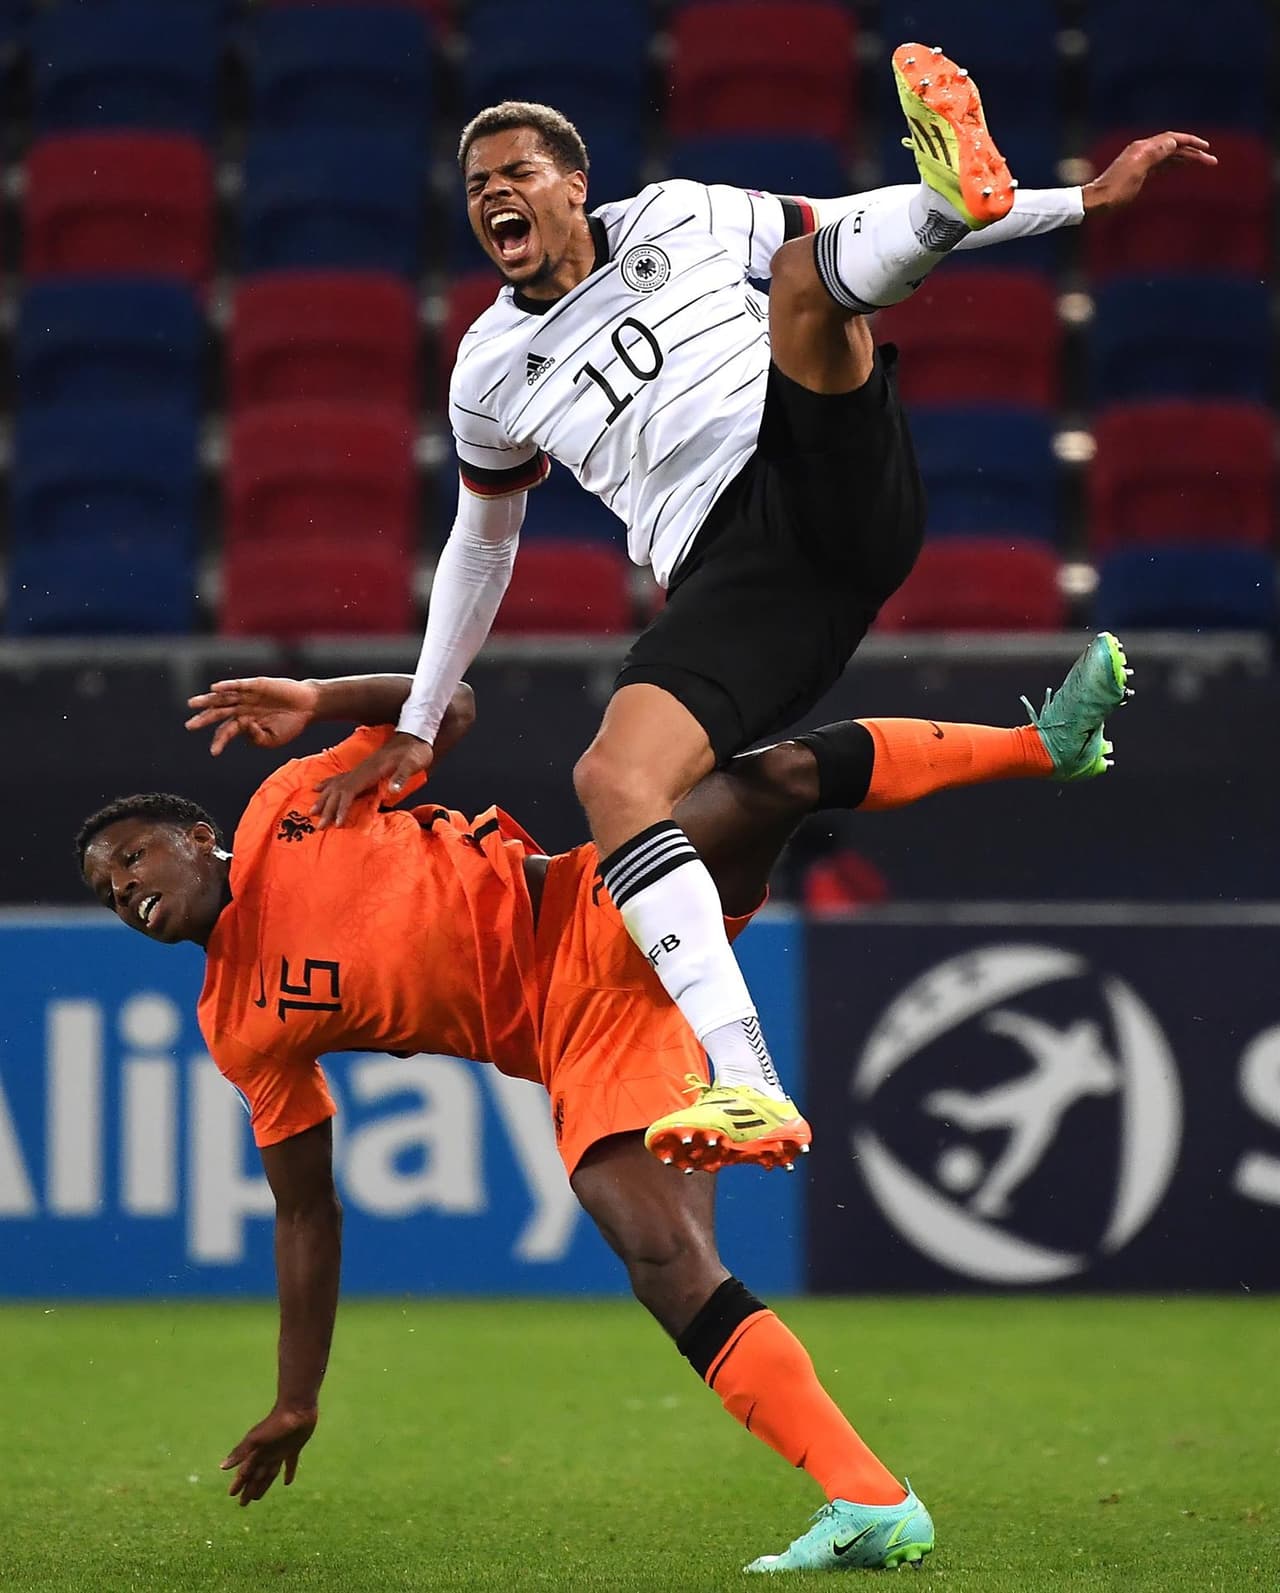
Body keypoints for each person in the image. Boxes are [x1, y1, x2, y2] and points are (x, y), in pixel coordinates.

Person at [299, 44, 1206, 1172]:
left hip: (820, 463)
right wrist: (420, 720)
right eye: (477, 184)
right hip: (744, 579)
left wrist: (1081, 201)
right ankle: (747, 1082)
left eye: (517, 173)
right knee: (616, 781)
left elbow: (842, 222)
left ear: (574, 185)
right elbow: (482, 544)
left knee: (802, 279)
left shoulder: (679, 214)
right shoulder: (486, 372)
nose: (493, 196)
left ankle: (948, 203)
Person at [77, 640, 1126, 1572]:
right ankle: (872, 1502)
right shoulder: (239, 1025)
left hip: (597, 895)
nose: (122, 887)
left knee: (771, 780)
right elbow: (306, 1210)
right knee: (663, 1257)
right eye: (104, 888)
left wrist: (322, 697)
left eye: (131, 857)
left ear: (200, 836)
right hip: (575, 1032)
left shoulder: (292, 804)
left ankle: (1041, 746)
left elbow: (452, 704)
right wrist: (297, 1395)